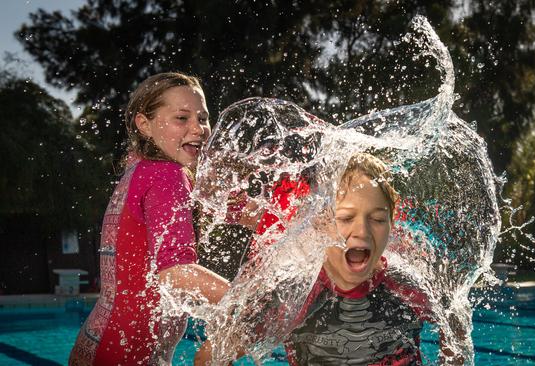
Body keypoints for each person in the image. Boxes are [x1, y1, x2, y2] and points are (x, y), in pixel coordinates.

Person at [196, 152, 461, 365]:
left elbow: (455, 324)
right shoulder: (294, 295)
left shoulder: (407, 286)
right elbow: (210, 357)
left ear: (392, 223)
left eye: (378, 219)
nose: (362, 231)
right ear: (320, 223)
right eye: (346, 218)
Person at [69, 72, 229, 366]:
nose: (198, 128)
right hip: (129, 352)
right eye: (182, 118)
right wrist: (241, 304)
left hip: (100, 340)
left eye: (203, 117)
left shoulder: (139, 169)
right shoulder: (167, 174)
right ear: (144, 125)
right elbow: (175, 272)